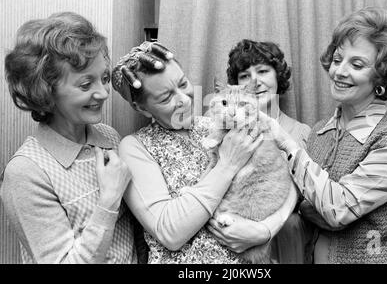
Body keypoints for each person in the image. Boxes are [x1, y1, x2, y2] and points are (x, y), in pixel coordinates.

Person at [260, 7, 387, 263]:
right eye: (337, 59)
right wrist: (315, 207)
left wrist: (284, 141)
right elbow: (304, 204)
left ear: (382, 76)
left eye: (356, 64)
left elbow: (337, 209)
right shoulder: (320, 133)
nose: (339, 71)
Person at [113, 41, 298, 263]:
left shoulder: (217, 122)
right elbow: (170, 234)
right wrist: (228, 164)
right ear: (141, 108)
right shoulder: (135, 147)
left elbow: (292, 178)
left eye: (183, 84)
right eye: (166, 97)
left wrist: (266, 229)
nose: (183, 99)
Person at [0, 12, 137, 263]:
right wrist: (109, 200)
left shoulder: (109, 138)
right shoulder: (26, 172)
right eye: (86, 85)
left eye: (104, 78)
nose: (103, 93)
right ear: (45, 91)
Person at [207, 39, 311, 264]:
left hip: (280, 240)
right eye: (245, 75)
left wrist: (263, 230)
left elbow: (301, 191)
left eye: (263, 71)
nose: (255, 81)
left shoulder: (301, 132)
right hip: (226, 239)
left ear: (278, 76)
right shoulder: (220, 129)